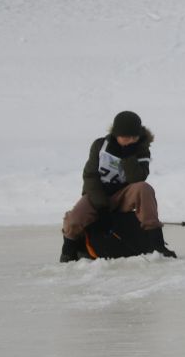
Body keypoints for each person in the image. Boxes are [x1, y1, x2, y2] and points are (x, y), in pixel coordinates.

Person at [59, 110, 171, 261]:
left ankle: (157, 244)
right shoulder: (100, 145)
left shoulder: (141, 149)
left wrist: (128, 156)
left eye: (134, 136)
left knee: (144, 188)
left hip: (124, 195)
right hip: (97, 195)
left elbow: (137, 178)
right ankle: (69, 250)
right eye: (126, 137)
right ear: (116, 134)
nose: (131, 140)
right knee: (73, 221)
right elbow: (90, 177)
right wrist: (102, 208)